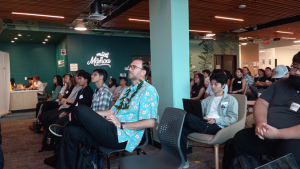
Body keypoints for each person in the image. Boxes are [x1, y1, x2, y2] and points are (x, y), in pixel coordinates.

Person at [51, 59, 159, 169]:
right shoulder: (127, 91)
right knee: (70, 132)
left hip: (122, 136)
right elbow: (110, 112)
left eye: (134, 67)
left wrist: (122, 125)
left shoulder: (148, 90)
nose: (129, 69)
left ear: (143, 72)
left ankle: (70, 123)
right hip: (109, 128)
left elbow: (150, 123)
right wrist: (88, 115)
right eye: (129, 66)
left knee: (80, 109)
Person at [233, 52, 300, 167]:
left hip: (291, 139)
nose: (297, 72)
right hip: (265, 133)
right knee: (240, 138)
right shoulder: (280, 84)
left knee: (291, 153)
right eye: (295, 67)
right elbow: (262, 102)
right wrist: (260, 123)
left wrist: (278, 133)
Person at [181, 73, 238, 168]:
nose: (212, 86)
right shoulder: (208, 99)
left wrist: (216, 120)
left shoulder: (231, 100)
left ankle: (169, 126)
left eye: (216, 84)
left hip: (217, 126)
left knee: (188, 117)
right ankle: (183, 160)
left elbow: (233, 118)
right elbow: (199, 110)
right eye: (211, 84)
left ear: (224, 85)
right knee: (182, 129)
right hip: (205, 123)